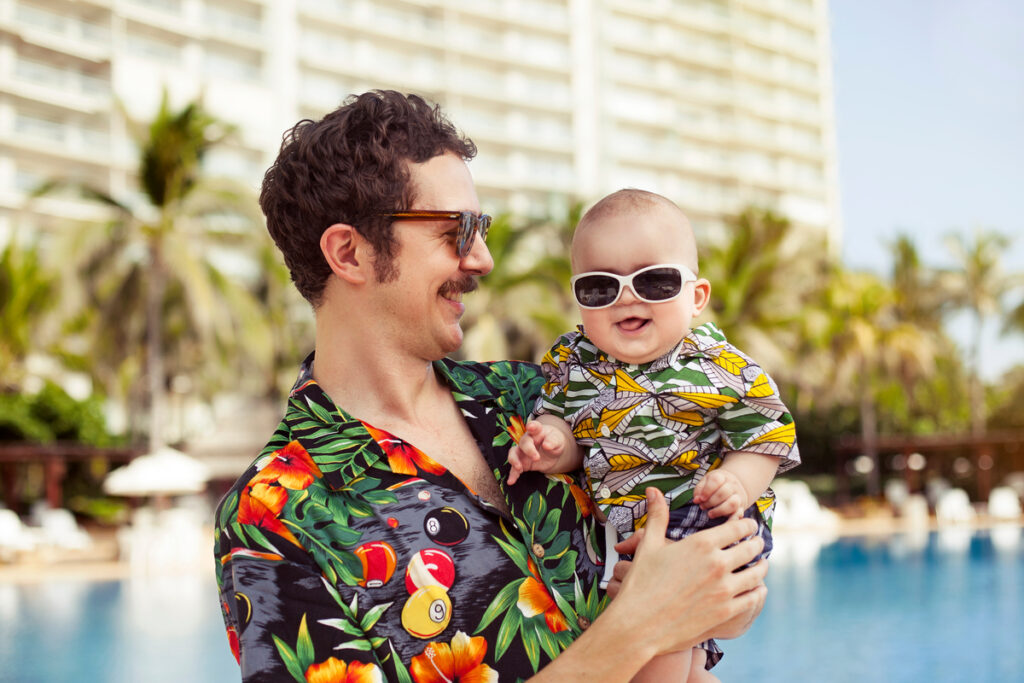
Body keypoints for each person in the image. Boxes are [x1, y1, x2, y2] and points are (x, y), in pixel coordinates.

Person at [213, 91, 767, 682]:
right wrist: (640, 628)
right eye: (458, 230)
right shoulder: (274, 517)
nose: (482, 259)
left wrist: (722, 591)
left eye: (482, 228)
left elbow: (723, 573)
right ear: (350, 252)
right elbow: (656, 615)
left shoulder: (543, 398)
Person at [507, 189, 800, 681]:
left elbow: (765, 437)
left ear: (696, 296)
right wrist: (552, 445)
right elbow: (565, 428)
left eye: (655, 281)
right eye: (600, 287)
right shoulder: (573, 363)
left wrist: (736, 483)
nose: (627, 296)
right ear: (578, 299)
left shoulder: (720, 367)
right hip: (630, 530)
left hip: (702, 515)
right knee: (683, 661)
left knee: (656, 645)